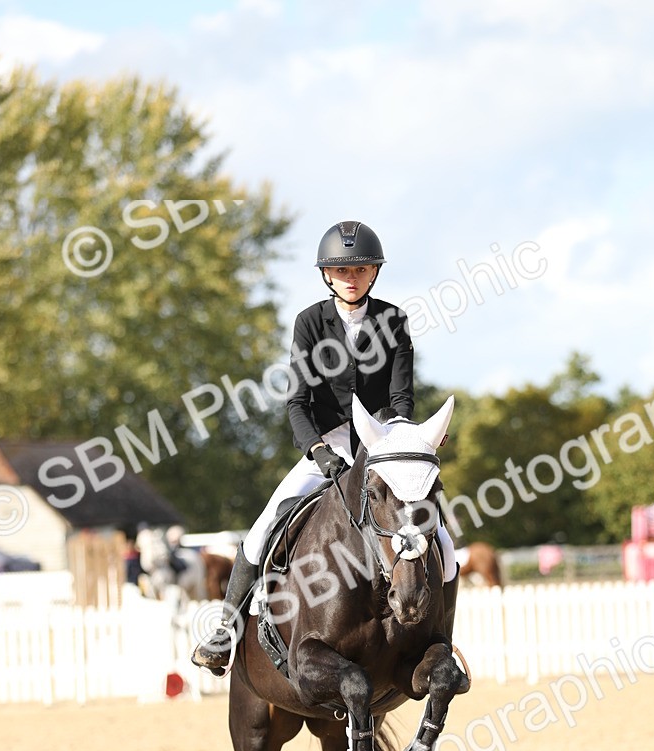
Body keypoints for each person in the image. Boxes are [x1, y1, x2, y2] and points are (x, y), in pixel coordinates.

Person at [192, 219, 457, 672]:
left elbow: (401, 398)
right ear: (327, 275)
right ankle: (226, 631)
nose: (350, 278)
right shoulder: (309, 322)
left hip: (382, 445)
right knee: (260, 531)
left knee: (445, 546)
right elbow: (297, 401)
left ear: (373, 273)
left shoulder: (393, 320)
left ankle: (442, 640)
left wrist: (399, 442)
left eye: (360, 270)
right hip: (326, 447)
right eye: (340, 271)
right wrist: (318, 450)